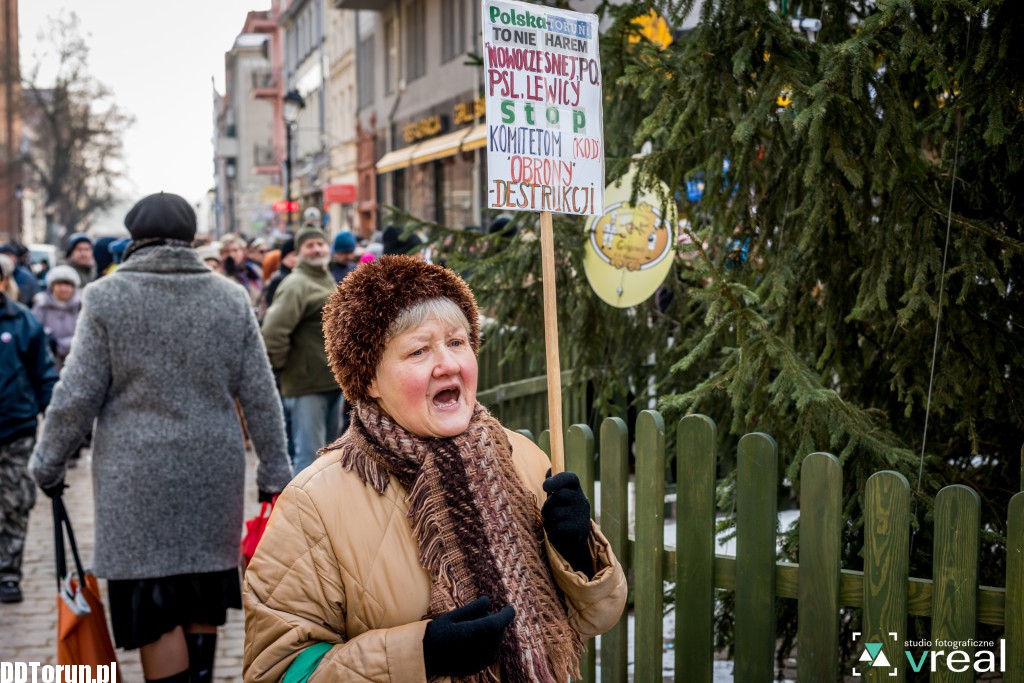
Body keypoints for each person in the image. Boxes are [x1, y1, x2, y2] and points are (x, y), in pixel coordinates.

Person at [243, 256, 627, 682]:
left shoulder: (524, 458)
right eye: (419, 350)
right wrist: (418, 656)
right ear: (369, 379)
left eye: (458, 342)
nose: (447, 364)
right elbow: (278, 672)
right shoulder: (312, 502)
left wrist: (576, 555)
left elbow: (594, 619)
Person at [28, 192, 292, 683]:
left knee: (154, 609)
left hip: (136, 479)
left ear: (133, 238)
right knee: (200, 599)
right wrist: (275, 473)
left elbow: (77, 394)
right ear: (190, 238)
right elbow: (260, 394)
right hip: (212, 472)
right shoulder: (229, 297)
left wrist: (48, 463)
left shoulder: (107, 298)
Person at [0, 253, 59, 604]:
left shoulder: (22, 322)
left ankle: (8, 572)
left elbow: (44, 375)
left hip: (15, 427)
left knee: (15, 503)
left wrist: (50, 417)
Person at [260, 227, 341, 473]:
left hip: (331, 382)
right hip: (306, 386)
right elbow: (273, 332)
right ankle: (300, 513)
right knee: (309, 463)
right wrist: (286, 366)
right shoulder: (296, 284)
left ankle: (325, 512)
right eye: (309, 245)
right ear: (299, 252)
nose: (316, 249)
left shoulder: (325, 278)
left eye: (320, 243)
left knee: (328, 460)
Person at [31, 265, 82, 372]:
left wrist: (61, 344)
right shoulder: (41, 306)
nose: (63, 288)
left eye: (67, 284)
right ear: (52, 286)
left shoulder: (81, 306)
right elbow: (33, 331)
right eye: (59, 284)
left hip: (77, 363)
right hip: (49, 364)